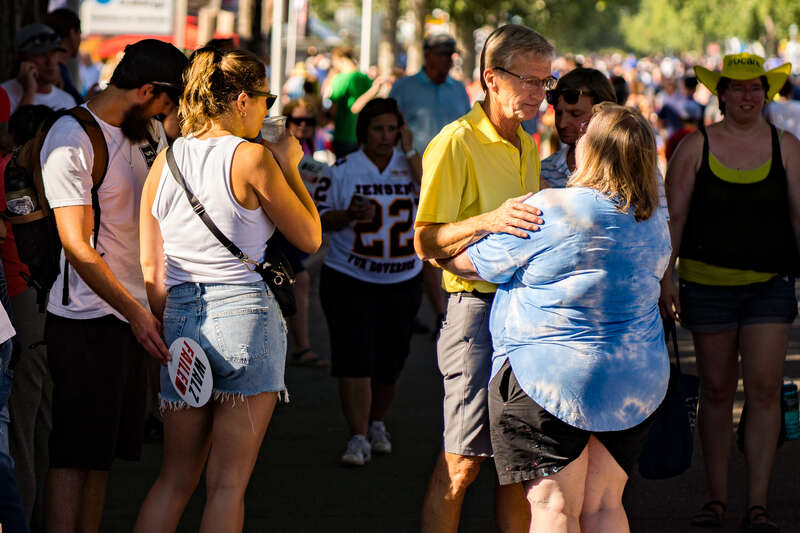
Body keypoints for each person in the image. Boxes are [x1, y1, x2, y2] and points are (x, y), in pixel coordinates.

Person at [441, 102, 670, 533]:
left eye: (584, 133)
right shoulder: (654, 220)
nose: (576, 137)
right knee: (605, 505)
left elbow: (470, 262)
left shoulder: (551, 208)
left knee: (553, 506)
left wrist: (448, 242)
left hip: (548, 377)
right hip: (634, 381)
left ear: (594, 149)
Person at [133, 47, 321, 533]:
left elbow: (152, 263)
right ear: (241, 99)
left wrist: (167, 320)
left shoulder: (167, 161)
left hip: (179, 316)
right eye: (266, 98)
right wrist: (292, 165)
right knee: (226, 484)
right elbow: (310, 237)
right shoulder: (253, 157)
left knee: (174, 480)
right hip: (244, 316)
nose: (268, 110)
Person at [39, 39, 187, 533]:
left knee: (103, 456)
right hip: (84, 318)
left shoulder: (145, 130)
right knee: (72, 454)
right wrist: (137, 311)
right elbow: (77, 246)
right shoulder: (70, 136)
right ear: (146, 90)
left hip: (135, 315)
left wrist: (151, 305)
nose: (171, 115)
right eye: (168, 102)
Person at [414, 24, 553, 533]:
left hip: (524, 315)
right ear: (491, 78)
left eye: (545, 81)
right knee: (462, 463)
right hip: (475, 314)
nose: (539, 93)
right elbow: (424, 241)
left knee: (517, 469)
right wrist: (487, 220)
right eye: (529, 80)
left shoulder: (528, 143)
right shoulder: (456, 141)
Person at [660, 53, 800, 533]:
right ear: (720, 94)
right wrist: (665, 277)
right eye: (736, 88)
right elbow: (673, 220)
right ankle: (716, 498)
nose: (746, 96)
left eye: (755, 87)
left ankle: (757, 503)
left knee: (763, 392)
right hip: (706, 286)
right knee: (717, 392)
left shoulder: (789, 147)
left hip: (771, 286)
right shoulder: (693, 147)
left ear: (767, 92)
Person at [317, 98, 422, 466]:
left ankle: (377, 422)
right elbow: (318, 220)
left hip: (403, 278)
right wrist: (347, 215)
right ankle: (358, 434)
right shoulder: (344, 169)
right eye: (378, 128)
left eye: (393, 129)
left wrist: (409, 149)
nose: (386, 136)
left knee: (391, 360)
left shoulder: (410, 164)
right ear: (364, 131)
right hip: (350, 276)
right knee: (354, 358)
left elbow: (434, 196)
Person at [389, 34, 471, 334]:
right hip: (409, 176)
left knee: (443, 242)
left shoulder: (458, 89)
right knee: (419, 245)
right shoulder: (405, 87)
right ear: (428, 55)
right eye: (444, 53)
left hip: (451, 177)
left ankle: (442, 311)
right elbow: (389, 124)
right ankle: (435, 311)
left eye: (452, 54)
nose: (450, 59)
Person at [540, 68, 617, 188]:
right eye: (558, 113)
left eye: (575, 114)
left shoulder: (632, 169)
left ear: (605, 114)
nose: (562, 124)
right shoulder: (544, 171)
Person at [1, 24, 76, 114]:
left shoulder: (68, 100)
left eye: (54, 53)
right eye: (41, 54)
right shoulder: (4, 95)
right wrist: (30, 92)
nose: (50, 61)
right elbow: (19, 128)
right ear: (21, 60)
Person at [329, 47, 389, 158]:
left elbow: (349, 108)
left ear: (339, 59)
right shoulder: (364, 78)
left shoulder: (340, 78)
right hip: (364, 136)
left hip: (345, 135)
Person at [42, 7, 84, 105]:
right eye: (79, 34)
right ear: (72, 33)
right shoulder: (55, 73)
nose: (50, 63)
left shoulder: (52, 71)